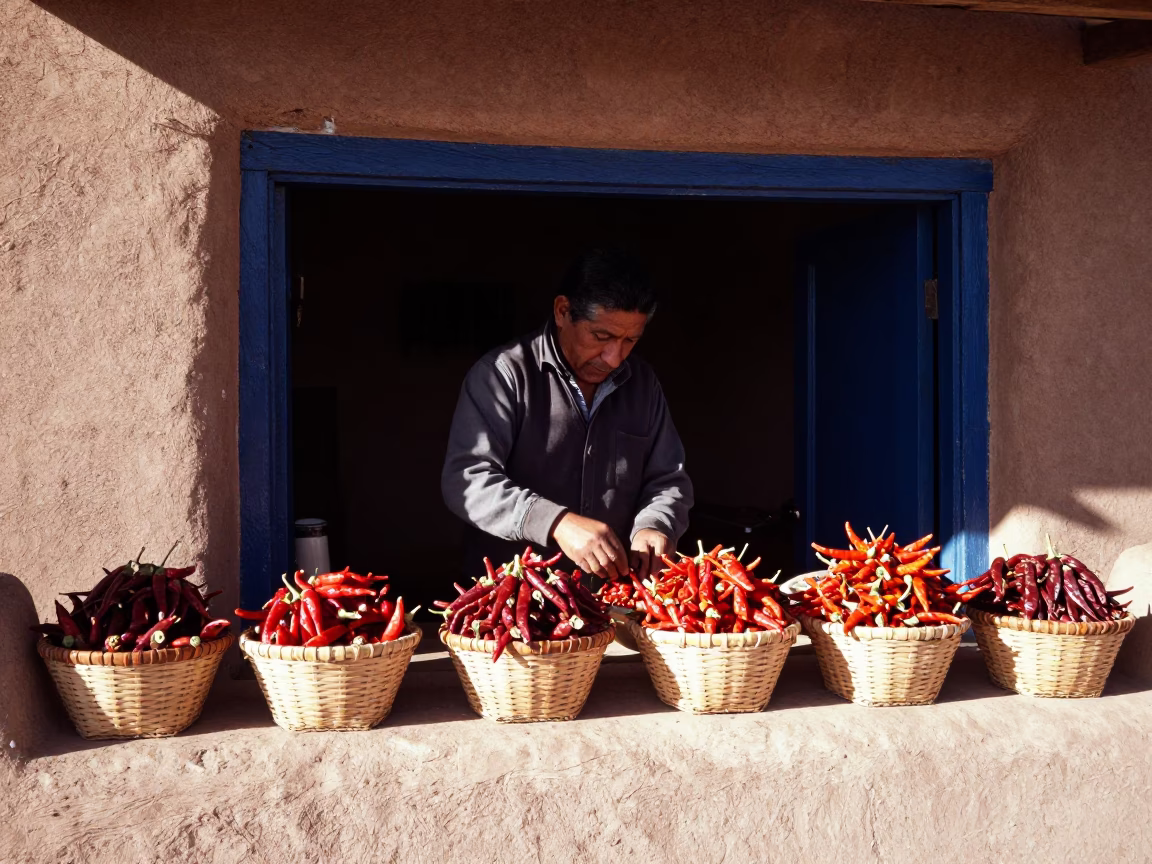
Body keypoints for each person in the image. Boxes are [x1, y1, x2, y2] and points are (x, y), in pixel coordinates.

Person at [441, 248, 693, 581]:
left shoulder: (642, 385)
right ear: (563, 311)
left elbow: (667, 478)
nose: (615, 357)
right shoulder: (503, 375)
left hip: (611, 599)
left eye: (630, 339)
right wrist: (556, 522)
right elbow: (467, 478)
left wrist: (656, 523)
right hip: (514, 599)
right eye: (601, 336)